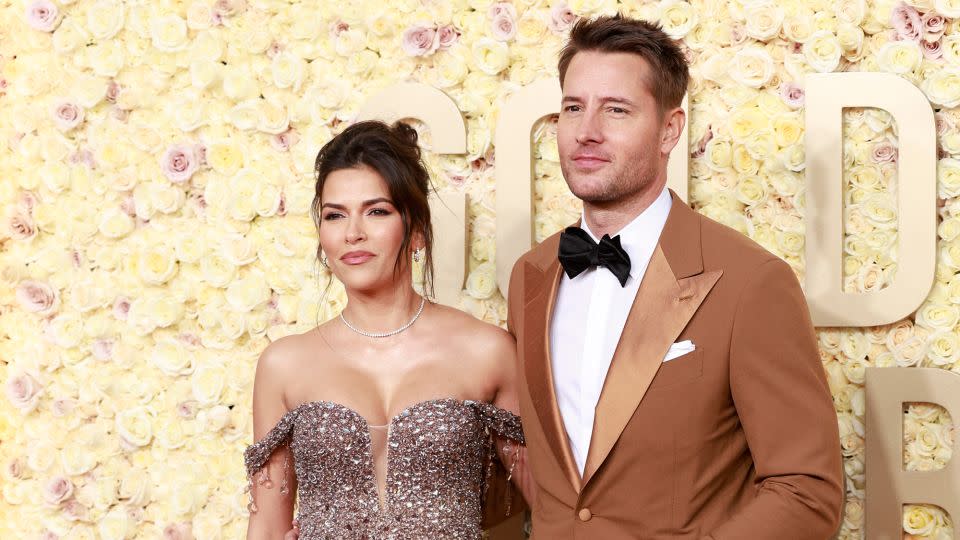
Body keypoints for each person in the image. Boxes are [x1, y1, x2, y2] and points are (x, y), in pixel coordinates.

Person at [507, 15, 844, 539]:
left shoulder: (751, 282)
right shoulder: (531, 275)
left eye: (616, 110)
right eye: (574, 108)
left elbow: (806, 491)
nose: (586, 131)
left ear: (670, 130)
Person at [245, 120, 531, 539]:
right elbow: (267, 526)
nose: (353, 233)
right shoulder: (284, 365)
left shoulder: (487, 351)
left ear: (415, 231)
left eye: (376, 211)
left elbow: (554, 507)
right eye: (334, 215)